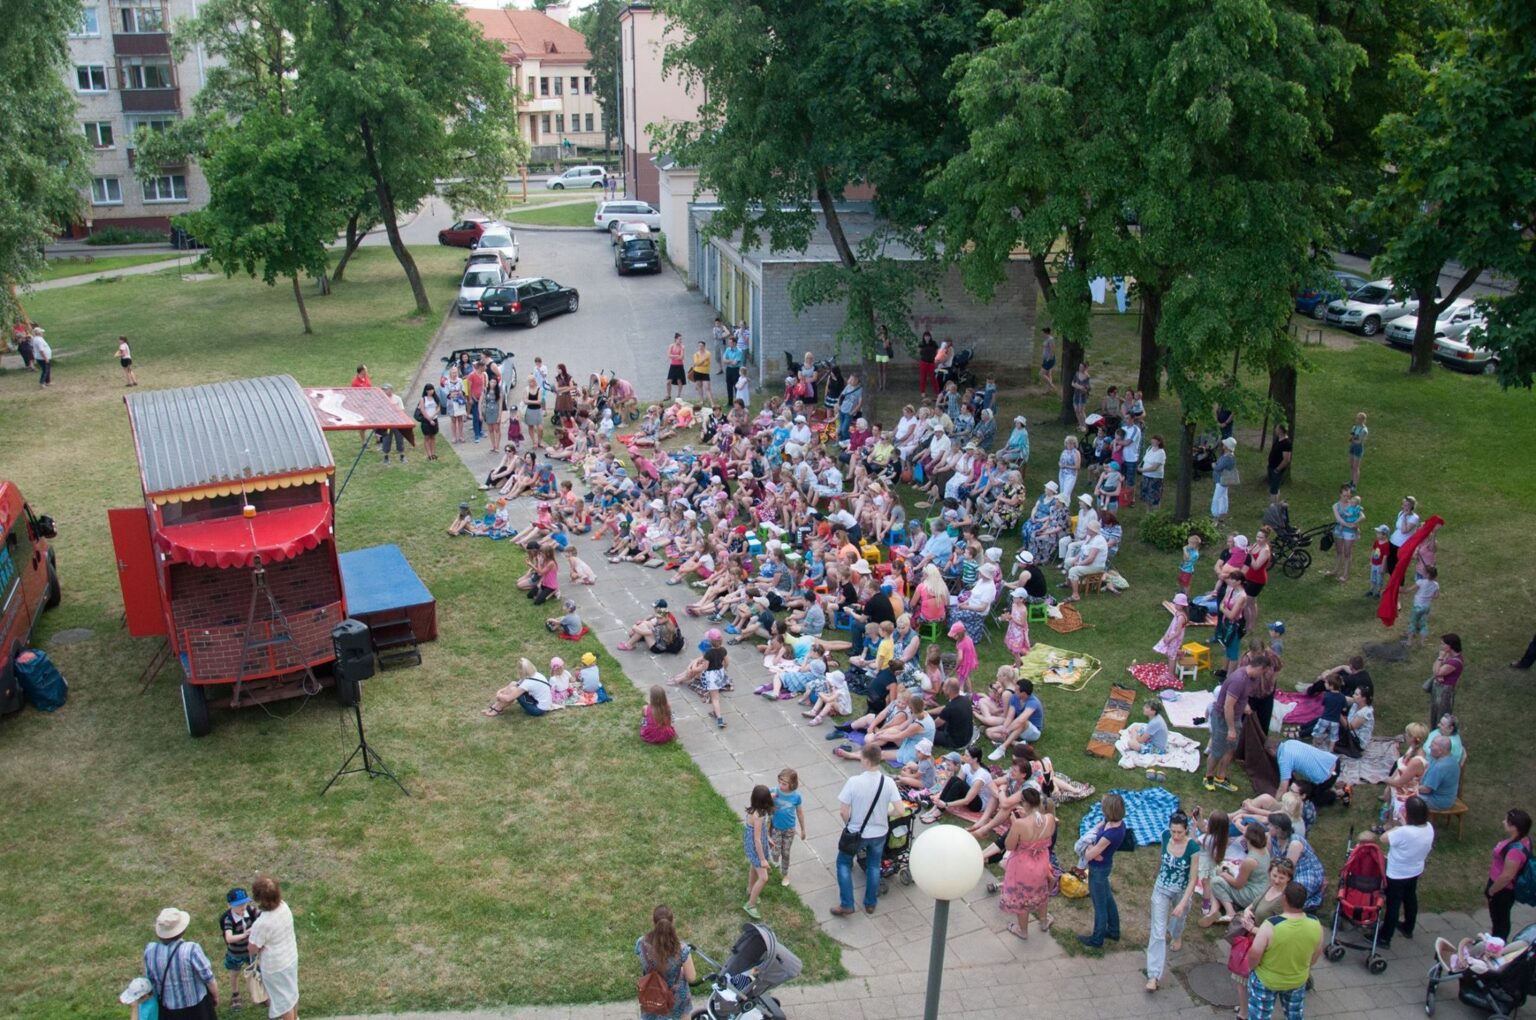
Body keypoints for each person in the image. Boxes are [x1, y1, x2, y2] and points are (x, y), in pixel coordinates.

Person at [831, 742, 903, 918]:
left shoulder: (854, 782)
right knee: (873, 865)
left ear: (865, 761)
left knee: (843, 862)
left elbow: (843, 810)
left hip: (858, 832)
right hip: (879, 833)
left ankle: (847, 904)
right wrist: (886, 814)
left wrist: (849, 824)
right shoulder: (888, 782)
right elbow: (900, 810)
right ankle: (870, 903)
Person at [1243, 883, 1323, 1020]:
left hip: (1267, 980)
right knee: (1294, 1015)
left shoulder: (1271, 925)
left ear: (1284, 898)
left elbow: (1254, 955)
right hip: (1297, 980)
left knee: (1259, 1016)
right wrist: (1305, 968)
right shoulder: (1315, 924)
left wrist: (1252, 969)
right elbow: (1316, 953)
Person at [1145, 810, 1200, 992]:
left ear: (1186, 831)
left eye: (1180, 832)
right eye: (1173, 831)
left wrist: (1183, 903)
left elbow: (1193, 879)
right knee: (1158, 932)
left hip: (1181, 892)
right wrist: (1156, 871)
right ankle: (1153, 975)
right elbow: (1162, 857)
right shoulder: (1165, 836)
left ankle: (1177, 934)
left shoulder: (1193, 848)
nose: (1175, 836)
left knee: (1178, 920)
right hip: (1161, 889)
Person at [1376, 796, 1434, 949]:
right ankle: (1408, 927)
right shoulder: (1428, 827)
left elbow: (1383, 838)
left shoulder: (1403, 832)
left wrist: (1397, 826)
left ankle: (1385, 937)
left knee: (1393, 904)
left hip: (1397, 873)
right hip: (1415, 869)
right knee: (1410, 897)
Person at [1000, 788, 1057, 940]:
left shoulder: (1019, 824)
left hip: (1022, 865)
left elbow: (1010, 846)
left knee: (1021, 897)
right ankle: (1044, 922)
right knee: (1041, 890)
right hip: (1042, 862)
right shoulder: (1050, 818)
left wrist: (1014, 823)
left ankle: (1023, 931)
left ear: (1025, 803)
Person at [143, 907, 218, 1020]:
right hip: (196, 1007)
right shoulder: (191, 949)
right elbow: (208, 978)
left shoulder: (150, 950)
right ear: (182, 930)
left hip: (168, 1007)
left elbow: (150, 978)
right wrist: (215, 996)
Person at [1078, 792, 1128, 947]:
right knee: (1107, 899)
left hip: (1099, 870)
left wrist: (1088, 847)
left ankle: (1097, 938)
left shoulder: (1111, 834)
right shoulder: (1116, 823)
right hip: (1103, 866)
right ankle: (1114, 930)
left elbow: (1089, 854)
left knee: (1099, 904)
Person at [248, 876, 298, 1020]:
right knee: (292, 993)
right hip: (290, 956)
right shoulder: (284, 907)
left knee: (283, 1003)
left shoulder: (262, 923)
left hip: (275, 966)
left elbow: (252, 948)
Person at [636, 905, 696, 1020]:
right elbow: (691, 977)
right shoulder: (681, 948)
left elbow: (645, 963)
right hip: (677, 997)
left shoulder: (641, 943)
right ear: (672, 922)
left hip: (652, 994)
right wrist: (681, 970)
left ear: (653, 922)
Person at [1203, 664, 1253, 794]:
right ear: (1260, 668)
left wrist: (1245, 705)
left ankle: (1220, 777)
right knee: (1217, 750)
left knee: (1231, 748)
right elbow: (1228, 706)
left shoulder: (1249, 678)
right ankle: (1208, 776)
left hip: (1235, 718)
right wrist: (1231, 729)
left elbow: (1242, 696)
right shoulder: (1239, 680)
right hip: (1222, 718)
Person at [1486, 809, 1532, 940]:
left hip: (1502, 890)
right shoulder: (1525, 839)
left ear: (1514, 827)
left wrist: (1491, 891)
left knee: (1500, 918)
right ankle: (1497, 939)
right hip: (1504, 889)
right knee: (1501, 917)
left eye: (1506, 821)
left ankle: (1497, 944)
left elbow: (1507, 876)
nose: (1503, 822)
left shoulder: (1514, 852)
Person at [219, 888, 259, 1010]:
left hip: (250, 950)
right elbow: (229, 938)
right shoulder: (229, 919)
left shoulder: (250, 911)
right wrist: (244, 934)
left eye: (245, 903)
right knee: (235, 973)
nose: (243, 907)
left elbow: (263, 917)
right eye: (239, 905)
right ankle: (235, 994)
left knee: (256, 972)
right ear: (230, 905)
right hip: (235, 953)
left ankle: (260, 993)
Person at [769, 768, 808, 886]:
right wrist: (769, 800)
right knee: (775, 851)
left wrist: (803, 829)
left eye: (784, 784)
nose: (781, 785)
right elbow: (761, 802)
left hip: (789, 829)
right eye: (779, 782)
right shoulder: (774, 791)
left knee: (785, 852)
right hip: (775, 827)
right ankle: (775, 860)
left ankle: (785, 874)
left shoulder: (796, 796)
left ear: (792, 784)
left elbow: (800, 813)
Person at [483, 657, 557, 717]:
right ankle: (495, 706)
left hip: (538, 709)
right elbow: (516, 684)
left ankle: (498, 709)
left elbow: (508, 698)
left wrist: (499, 695)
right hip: (542, 702)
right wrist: (500, 691)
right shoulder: (535, 674)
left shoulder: (527, 683)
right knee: (513, 684)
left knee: (513, 690)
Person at [742, 785, 774, 918]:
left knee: (754, 867)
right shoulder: (759, 816)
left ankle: (750, 889)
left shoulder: (753, 809)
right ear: (765, 801)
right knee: (763, 877)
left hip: (751, 844)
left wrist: (768, 838)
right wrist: (762, 859)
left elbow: (760, 833)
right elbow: (757, 840)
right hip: (756, 848)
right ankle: (750, 905)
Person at [1275, 739, 1340, 803]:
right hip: (1333, 760)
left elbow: (1282, 788)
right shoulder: (1290, 742)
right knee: (1308, 792)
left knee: (1315, 799)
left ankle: (1338, 793)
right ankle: (1329, 786)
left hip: (1331, 773)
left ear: (1271, 750)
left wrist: (1274, 803)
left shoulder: (1284, 759)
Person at [1417, 735, 1461, 811]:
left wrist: (1410, 788)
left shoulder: (1440, 767)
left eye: (1432, 745)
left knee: (1406, 797)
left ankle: (1409, 820)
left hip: (1437, 801)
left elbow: (1426, 790)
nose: (1429, 747)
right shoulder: (1450, 758)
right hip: (1449, 798)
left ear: (1440, 750)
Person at [1427, 633, 1463, 723]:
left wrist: (1440, 658)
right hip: (1439, 689)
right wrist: (1438, 672)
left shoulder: (1455, 662)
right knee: (1434, 713)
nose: (1441, 646)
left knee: (1441, 715)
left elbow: (1436, 671)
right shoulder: (1448, 655)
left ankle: (1441, 734)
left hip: (1444, 692)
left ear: (1450, 646)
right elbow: (1435, 668)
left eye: (1443, 644)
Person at [1407, 566, 1441, 649]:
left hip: (1417, 606)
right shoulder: (1436, 584)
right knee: (1423, 624)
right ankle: (1422, 643)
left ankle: (1409, 642)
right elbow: (1436, 596)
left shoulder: (1420, 582)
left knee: (1412, 623)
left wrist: (1400, 590)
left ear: (1427, 574)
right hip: (1426, 607)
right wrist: (1429, 596)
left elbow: (1408, 590)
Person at [1211, 436, 1237, 523]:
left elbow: (1218, 467)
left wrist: (1214, 465)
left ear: (1227, 447)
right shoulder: (1229, 456)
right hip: (1223, 481)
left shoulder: (1227, 458)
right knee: (1223, 497)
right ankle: (1222, 514)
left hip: (1221, 481)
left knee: (1216, 498)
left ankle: (1215, 516)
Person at [1266, 423, 1292, 502]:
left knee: (1273, 490)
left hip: (1276, 470)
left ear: (1281, 430)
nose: (1275, 430)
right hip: (1271, 467)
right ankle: (1276, 505)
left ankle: (1273, 508)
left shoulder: (1286, 443)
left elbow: (1286, 459)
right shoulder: (1278, 439)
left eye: (1277, 428)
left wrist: (1277, 469)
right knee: (1275, 488)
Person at [416, 383, 441, 461]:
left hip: (434, 419)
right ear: (426, 391)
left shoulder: (435, 398)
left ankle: (433, 453)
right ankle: (429, 454)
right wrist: (429, 419)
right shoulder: (423, 399)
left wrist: (433, 416)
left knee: (433, 437)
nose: (431, 391)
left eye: (432, 389)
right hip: (426, 421)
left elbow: (438, 408)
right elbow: (423, 410)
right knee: (427, 437)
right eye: (429, 390)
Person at [1348, 411, 1369, 489]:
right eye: (1357, 418)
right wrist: (1353, 439)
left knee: (1356, 466)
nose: (1357, 420)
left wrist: (1353, 439)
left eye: (1359, 419)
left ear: (1363, 420)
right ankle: (1351, 480)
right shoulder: (1355, 427)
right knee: (1351, 465)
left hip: (1358, 448)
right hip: (1353, 446)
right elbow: (1351, 437)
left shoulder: (1364, 430)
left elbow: (1359, 441)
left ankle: (1354, 485)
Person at [665, 332, 687, 400]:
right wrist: (676, 356)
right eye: (679, 339)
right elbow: (668, 355)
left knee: (679, 381)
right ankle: (668, 395)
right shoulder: (671, 346)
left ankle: (679, 395)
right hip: (673, 365)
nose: (680, 341)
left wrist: (674, 356)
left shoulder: (682, 347)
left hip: (679, 365)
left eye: (681, 339)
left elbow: (682, 357)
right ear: (675, 339)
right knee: (668, 382)